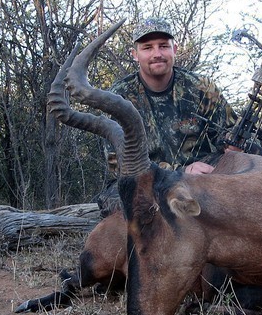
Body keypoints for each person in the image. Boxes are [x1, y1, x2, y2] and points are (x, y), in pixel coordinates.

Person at [97, 17, 241, 216]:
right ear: (135, 54)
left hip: (202, 176)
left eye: (163, 46)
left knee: (239, 179)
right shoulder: (118, 98)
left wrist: (233, 147)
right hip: (147, 180)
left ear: (174, 49)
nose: (157, 54)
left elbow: (230, 134)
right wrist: (180, 173)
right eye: (147, 48)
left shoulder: (201, 87)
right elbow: (119, 164)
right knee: (118, 201)